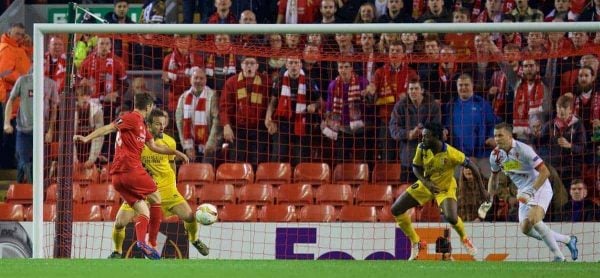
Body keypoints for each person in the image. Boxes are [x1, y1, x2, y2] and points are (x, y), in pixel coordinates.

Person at [73, 92, 189, 260]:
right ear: (148, 107)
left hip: (118, 179)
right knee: (156, 198)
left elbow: (155, 147)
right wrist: (86, 138)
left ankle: (141, 243)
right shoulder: (132, 118)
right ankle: (152, 242)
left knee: (143, 210)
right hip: (130, 170)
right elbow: (108, 128)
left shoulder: (142, 126)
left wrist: (176, 152)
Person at [108, 108, 208, 259]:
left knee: (190, 217)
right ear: (148, 125)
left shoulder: (170, 142)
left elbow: (172, 163)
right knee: (119, 223)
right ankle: (117, 252)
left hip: (167, 189)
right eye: (158, 124)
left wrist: (173, 183)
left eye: (163, 124)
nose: (162, 127)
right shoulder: (137, 141)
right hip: (142, 190)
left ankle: (194, 239)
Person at [390, 122, 488, 260]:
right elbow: (416, 168)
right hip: (426, 184)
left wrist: (482, 190)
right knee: (396, 209)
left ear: (436, 137)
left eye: (426, 136)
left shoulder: (452, 153)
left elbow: (473, 167)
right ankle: (416, 242)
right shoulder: (422, 148)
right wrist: (426, 183)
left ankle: (465, 239)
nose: (422, 139)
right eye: (422, 136)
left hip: (445, 188)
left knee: (451, 217)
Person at [482, 122, 579, 261]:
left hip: (539, 186)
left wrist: (531, 192)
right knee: (525, 228)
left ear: (510, 136)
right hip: (523, 191)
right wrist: (489, 198)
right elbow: (494, 177)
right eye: (495, 135)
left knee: (534, 219)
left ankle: (559, 257)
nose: (497, 139)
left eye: (500, 135)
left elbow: (545, 172)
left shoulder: (524, 149)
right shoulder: (495, 155)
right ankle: (568, 240)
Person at [3, 72, 58, 183]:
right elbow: (10, 100)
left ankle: (39, 192)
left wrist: (50, 131)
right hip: (23, 130)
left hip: (42, 131)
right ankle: (24, 190)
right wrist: (6, 123)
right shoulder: (22, 81)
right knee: (23, 161)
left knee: (42, 164)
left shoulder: (51, 84)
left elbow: (54, 108)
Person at [175, 67, 220, 165]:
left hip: (209, 143)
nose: (198, 81)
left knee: (205, 170)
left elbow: (217, 121)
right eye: (195, 78)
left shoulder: (212, 95)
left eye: (201, 78)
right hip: (190, 142)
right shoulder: (183, 97)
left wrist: (210, 143)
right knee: (190, 171)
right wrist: (187, 146)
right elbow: (180, 123)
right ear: (190, 79)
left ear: (206, 80)